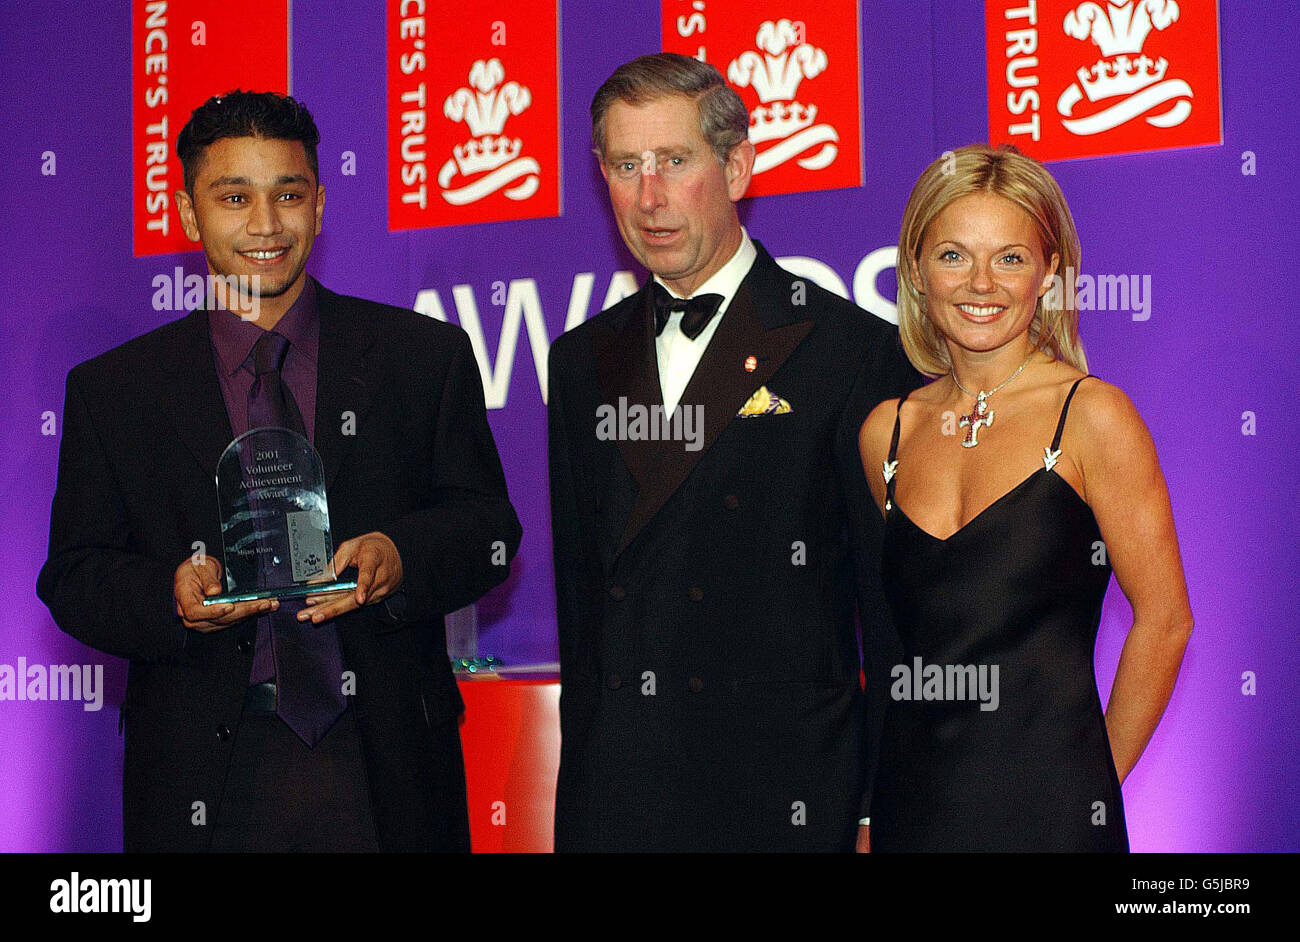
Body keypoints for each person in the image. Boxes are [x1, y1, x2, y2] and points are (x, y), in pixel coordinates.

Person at [36, 91, 521, 852]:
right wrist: (169, 594)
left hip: (386, 764)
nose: (265, 225)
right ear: (191, 216)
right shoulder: (114, 391)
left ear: (320, 205)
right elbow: (72, 575)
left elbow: (488, 527)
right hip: (204, 777)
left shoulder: (421, 357)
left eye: (288, 194)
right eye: (234, 198)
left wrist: (398, 557)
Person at [547, 53, 920, 852]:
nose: (648, 198)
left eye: (675, 161)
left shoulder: (850, 350)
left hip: (784, 796)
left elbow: (891, 617)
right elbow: (583, 615)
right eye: (624, 165)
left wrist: (871, 807)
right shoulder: (578, 364)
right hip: (625, 803)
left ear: (738, 165)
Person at [857, 144, 1192, 852]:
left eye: (1010, 257)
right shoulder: (886, 432)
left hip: (1054, 812)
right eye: (953, 255)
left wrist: (1094, 781)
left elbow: (1165, 621)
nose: (981, 282)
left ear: (1049, 274)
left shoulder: (1094, 415)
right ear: (915, 269)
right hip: (910, 814)